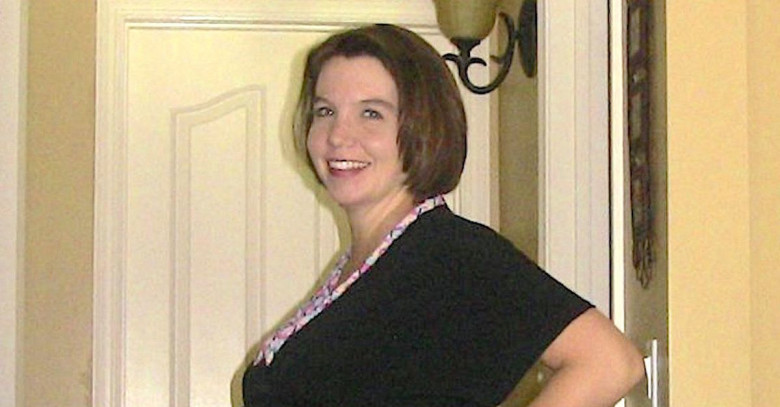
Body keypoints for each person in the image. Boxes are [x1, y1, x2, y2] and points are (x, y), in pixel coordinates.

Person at [242, 23, 644, 407]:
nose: (338, 136)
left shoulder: (449, 253)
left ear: (423, 126)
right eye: (325, 111)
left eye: (371, 113)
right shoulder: (370, 264)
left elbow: (611, 364)